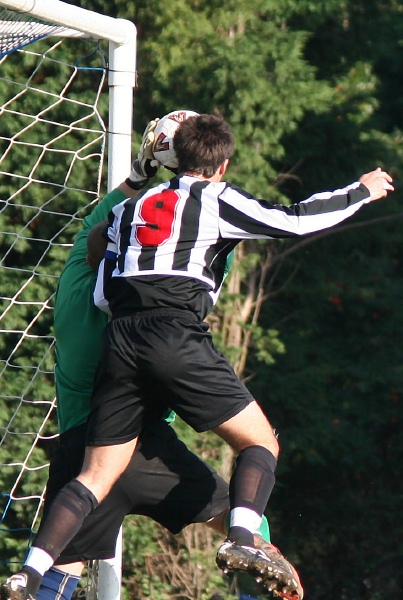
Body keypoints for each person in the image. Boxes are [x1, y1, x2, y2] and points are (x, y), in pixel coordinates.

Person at [2, 114, 393, 600]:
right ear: (222, 164)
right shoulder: (211, 202)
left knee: (78, 519)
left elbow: (97, 245)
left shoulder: (103, 249)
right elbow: (289, 222)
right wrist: (361, 190)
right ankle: (247, 549)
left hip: (99, 419)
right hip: (155, 419)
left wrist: (143, 174)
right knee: (255, 475)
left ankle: (27, 573)